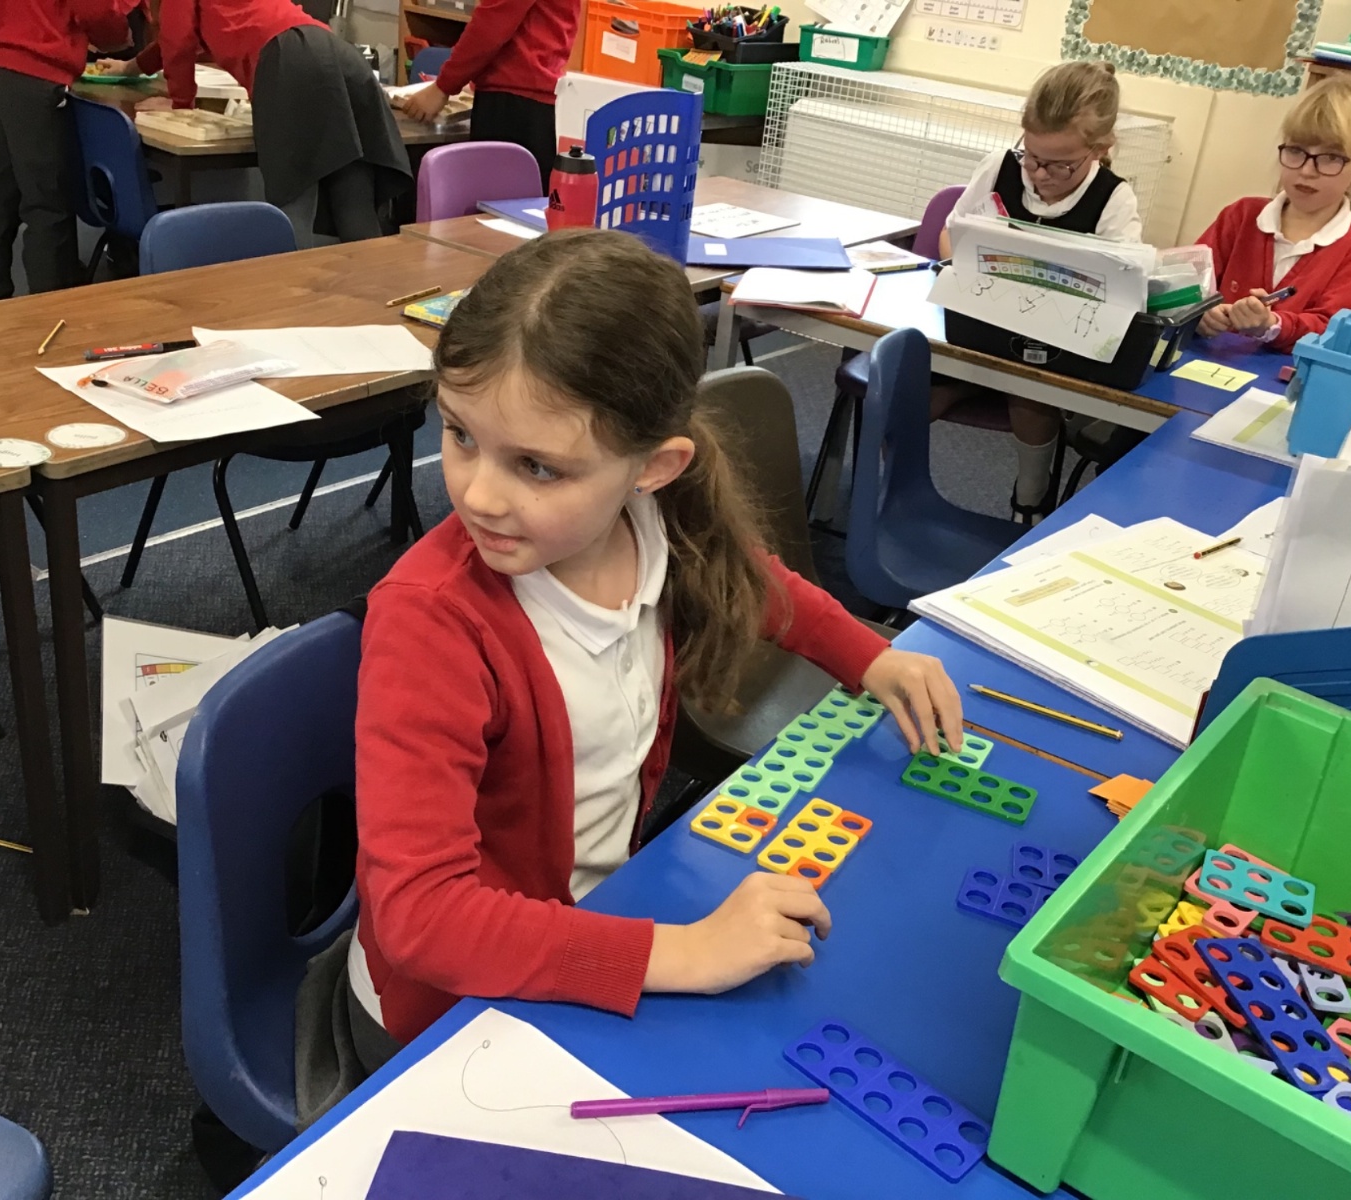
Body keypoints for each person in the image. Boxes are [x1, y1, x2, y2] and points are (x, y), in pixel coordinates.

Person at [332, 229, 965, 1084]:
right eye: (459, 434)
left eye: (537, 467)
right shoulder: (433, 623)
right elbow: (423, 920)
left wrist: (869, 656)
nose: (480, 494)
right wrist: (684, 952)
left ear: (655, 468)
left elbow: (753, 581)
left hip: (589, 918)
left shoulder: (648, 520)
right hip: (445, 1011)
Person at [939, 61, 1142, 524]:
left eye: (1060, 164)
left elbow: (1118, 291)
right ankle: (893, 492)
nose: (1040, 174)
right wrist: (964, 271)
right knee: (905, 381)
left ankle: (1029, 499)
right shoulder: (1000, 167)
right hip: (978, 325)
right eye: (1031, 157)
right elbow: (951, 236)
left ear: (1100, 149)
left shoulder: (1114, 200)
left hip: (1052, 343)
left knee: (1030, 391)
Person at [102, 0, 411, 241]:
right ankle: (373, 297)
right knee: (353, 199)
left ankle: (291, 296)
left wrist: (180, 104)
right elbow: (175, 39)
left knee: (293, 205)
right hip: (336, 53)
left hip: (290, 60)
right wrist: (132, 67)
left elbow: (178, 39)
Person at [1196, 75, 1351, 352]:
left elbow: (1331, 329)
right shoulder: (1241, 215)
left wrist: (1271, 324)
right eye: (1296, 151)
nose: (1307, 170)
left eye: (1331, 158)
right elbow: (1185, 283)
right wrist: (1199, 312)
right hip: (1206, 364)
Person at [0, 0, 135, 302]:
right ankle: (52, 313)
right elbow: (95, 8)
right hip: (36, 65)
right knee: (46, 202)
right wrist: (117, 35)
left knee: (0, 194)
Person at [395, 0, 578, 188]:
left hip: (514, 106)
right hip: (536, 102)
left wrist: (442, 87)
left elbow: (491, 25)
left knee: (496, 199)